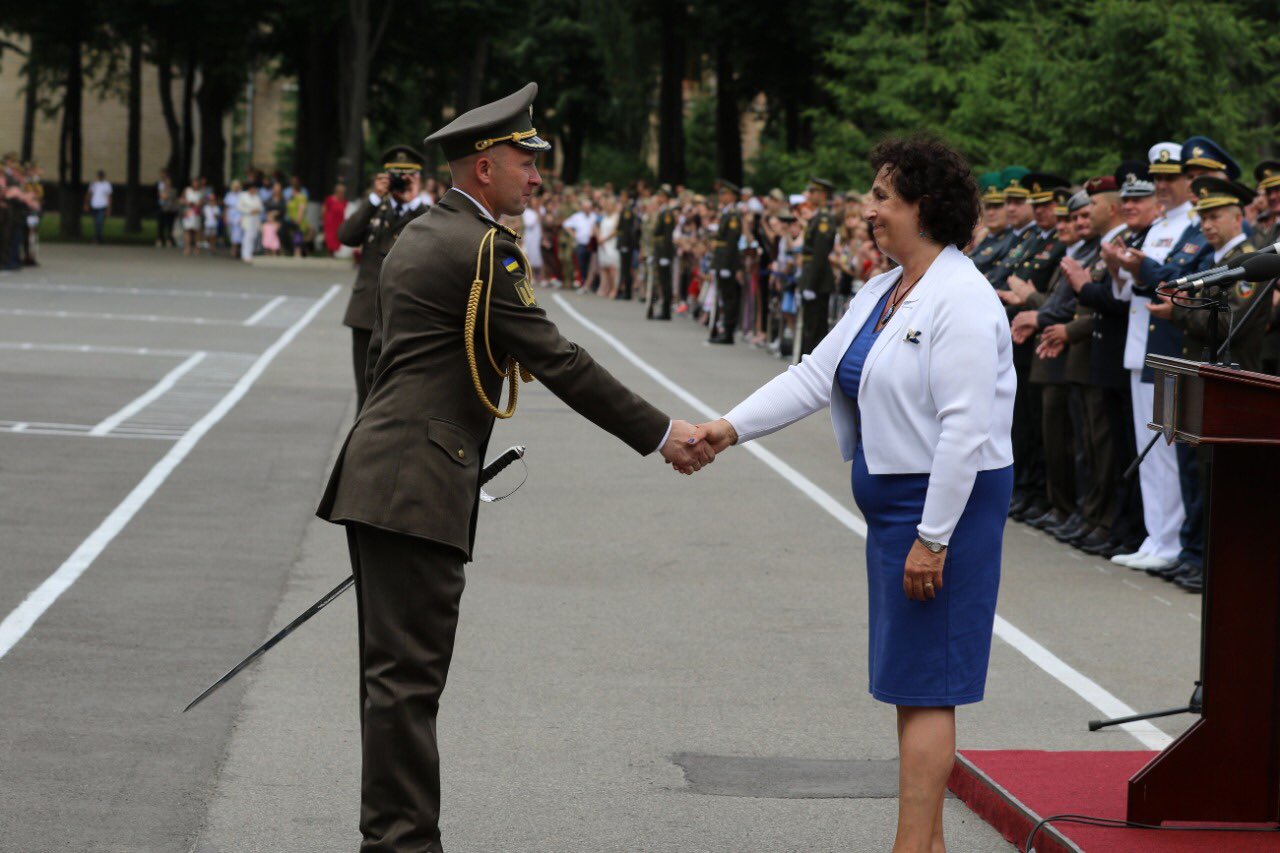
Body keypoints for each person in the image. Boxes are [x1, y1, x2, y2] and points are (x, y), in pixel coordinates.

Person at [316, 82, 712, 853]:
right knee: (405, 686)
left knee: (395, 683)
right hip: (414, 484)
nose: (537, 178)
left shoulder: (424, 234)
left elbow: (388, 356)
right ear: (486, 165)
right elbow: (559, 360)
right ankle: (401, 844)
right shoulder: (479, 248)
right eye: (527, 162)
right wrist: (663, 432)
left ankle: (394, 840)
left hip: (393, 476)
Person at [698, 136, 1013, 853]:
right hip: (901, 511)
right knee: (911, 681)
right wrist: (727, 428)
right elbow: (815, 374)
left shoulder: (960, 296)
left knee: (929, 683)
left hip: (943, 509)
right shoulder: (885, 288)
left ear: (922, 207)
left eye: (880, 197)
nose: (865, 210)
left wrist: (933, 538)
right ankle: (925, 845)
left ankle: (909, 847)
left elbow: (966, 429)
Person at [337, 145, 430, 412]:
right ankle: (357, 453)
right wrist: (374, 198)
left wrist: (414, 199)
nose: (401, 181)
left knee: (401, 396)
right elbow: (345, 236)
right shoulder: (375, 210)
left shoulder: (427, 214)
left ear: (418, 179)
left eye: (408, 176)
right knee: (365, 397)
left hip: (407, 317)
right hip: (366, 315)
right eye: (395, 176)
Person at [797, 178, 837, 355]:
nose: (810, 195)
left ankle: (808, 367)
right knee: (810, 325)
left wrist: (811, 285)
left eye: (813, 192)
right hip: (812, 276)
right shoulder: (817, 217)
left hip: (818, 280)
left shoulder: (823, 219)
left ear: (822, 195)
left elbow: (820, 255)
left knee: (814, 327)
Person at [708, 180, 744, 344]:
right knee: (724, 296)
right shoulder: (726, 212)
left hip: (727, 262)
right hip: (722, 259)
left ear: (732, 196)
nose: (721, 196)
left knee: (729, 297)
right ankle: (724, 328)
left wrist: (727, 266)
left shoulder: (733, 214)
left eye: (724, 193)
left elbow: (731, 240)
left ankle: (728, 331)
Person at [648, 184, 676, 320]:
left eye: (660, 196)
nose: (658, 198)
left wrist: (665, 255)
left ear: (665, 197)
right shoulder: (663, 211)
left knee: (665, 283)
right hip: (659, 251)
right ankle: (664, 310)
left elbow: (667, 235)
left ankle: (666, 311)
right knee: (662, 282)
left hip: (664, 252)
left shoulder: (667, 213)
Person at [594, 194, 621, 298]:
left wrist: (604, 239)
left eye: (609, 205)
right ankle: (605, 287)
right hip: (602, 243)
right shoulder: (604, 216)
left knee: (612, 267)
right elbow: (599, 227)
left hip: (611, 243)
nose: (607, 206)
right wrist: (599, 238)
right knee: (604, 267)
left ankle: (613, 289)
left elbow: (615, 231)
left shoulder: (616, 217)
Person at [236, 187, 263, 263]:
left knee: (253, 237)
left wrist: (257, 210)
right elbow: (239, 207)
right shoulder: (243, 196)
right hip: (247, 218)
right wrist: (249, 211)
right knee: (247, 237)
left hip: (255, 219)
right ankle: (245, 255)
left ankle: (250, 254)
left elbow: (260, 207)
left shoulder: (256, 197)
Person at [85, 170, 112, 244]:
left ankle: (97, 238)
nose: (100, 177)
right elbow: (89, 194)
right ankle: (99, 238)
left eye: (101, 175)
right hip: (94, 206)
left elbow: (108, 197)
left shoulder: (107, 185)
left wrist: (108, 209)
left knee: (99, 222)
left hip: (102, 206)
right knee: (96, 223)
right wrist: (86, 204)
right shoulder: (93, 184)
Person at [323, 182, 348, 255]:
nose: (342, 194)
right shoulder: (330, 199)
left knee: (337, 238)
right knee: (330, 238)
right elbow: (324, 210)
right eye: (341, 192)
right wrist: (324, 220)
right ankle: (329, 253)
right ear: (337, 192)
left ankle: (334, 254)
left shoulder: (344, 201)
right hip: (330, 223)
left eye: (343, 192)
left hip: (339, 223)